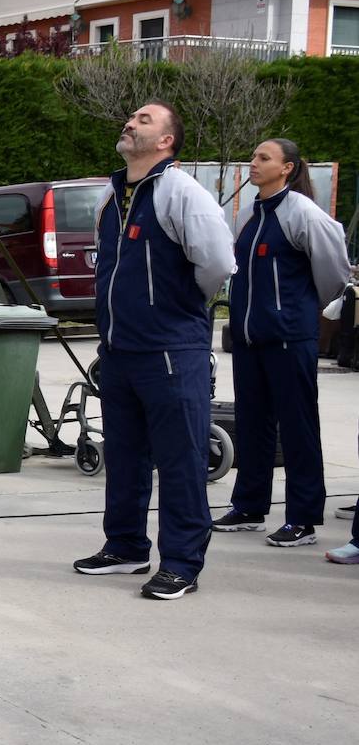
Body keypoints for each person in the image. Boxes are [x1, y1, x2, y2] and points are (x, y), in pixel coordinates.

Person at [73, 102, 235, 600]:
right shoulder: (111, 195)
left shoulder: (181, 193)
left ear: (166, 140)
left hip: (170, 350)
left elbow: (217, 263)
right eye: (132, 118)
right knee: (124, 456)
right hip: (120, 349)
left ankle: (182, 562)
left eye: (144, 120)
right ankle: (125, 546)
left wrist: (176, 308)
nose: (130, 123)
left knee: (181, 460)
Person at [210, 139, 349, 546]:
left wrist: (295, 310)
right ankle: (249, 507)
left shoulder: (302, 213)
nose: (254, 163)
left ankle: (303, 519)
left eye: (263, 158)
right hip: (249, 339)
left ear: (287, 168)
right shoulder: (251, 213)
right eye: (254, 156)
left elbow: (334, 273)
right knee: (253, 423)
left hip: (289, 337)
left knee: (297, 427)